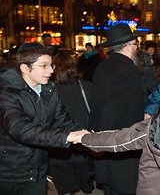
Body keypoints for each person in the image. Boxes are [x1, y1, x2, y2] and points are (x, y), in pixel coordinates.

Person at [0, 43, 88, 195]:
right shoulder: (7, 93)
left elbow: (63, 119)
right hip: (9, 173)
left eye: (51, 65)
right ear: (25, 68)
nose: (51, 70)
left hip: (38, 171)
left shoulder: (49, 89)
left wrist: (88, 137)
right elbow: (21, 130)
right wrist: (65, 137)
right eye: (44, 66)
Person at [89, 24, 146, 195]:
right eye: (136, 45)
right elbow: (112, 108)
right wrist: (102, 142)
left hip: (105, 141)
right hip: (120, 143)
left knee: (110, 187)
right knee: (123, 188)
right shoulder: (127, 69)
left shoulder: (104, 66)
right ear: (128, 46)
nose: (137, 48)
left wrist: (97, 138)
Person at [48, 51, 95, 195]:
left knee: (64, 182)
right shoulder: (86, 86)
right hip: (81, 141)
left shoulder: (48, 90)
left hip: (58, 144)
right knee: (83, 179)